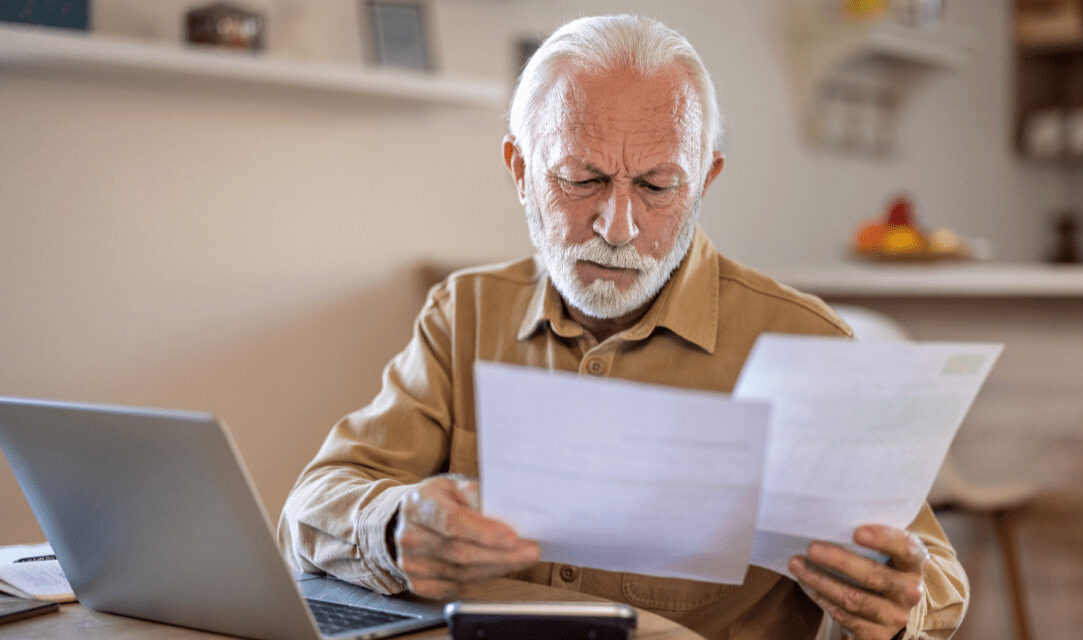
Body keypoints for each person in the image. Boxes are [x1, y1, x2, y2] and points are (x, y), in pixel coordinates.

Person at [278, 14, 967, 640]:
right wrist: (397, 528)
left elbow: (932, 572)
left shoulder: (805, 342)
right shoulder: (464, 314)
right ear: (521, 170)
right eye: (582, 180)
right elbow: (311, 505)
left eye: (658, 187)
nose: (618, 227)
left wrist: (896, 604)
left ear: (704, 181)